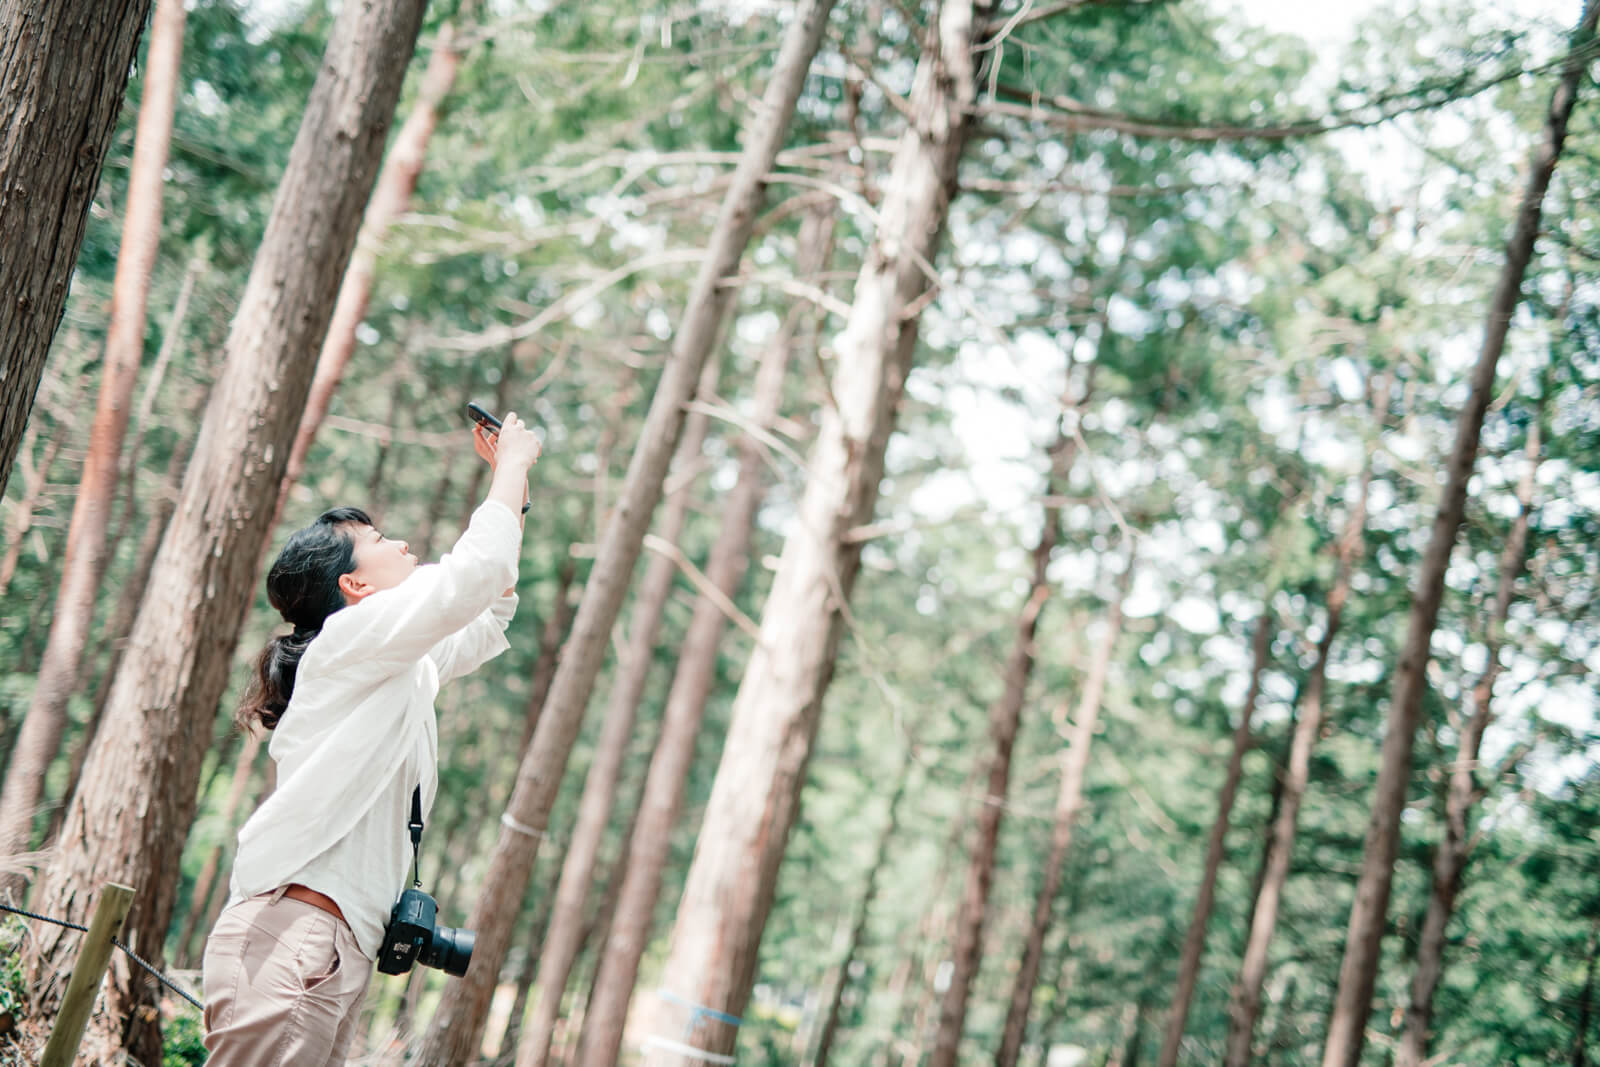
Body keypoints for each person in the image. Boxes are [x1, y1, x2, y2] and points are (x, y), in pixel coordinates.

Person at [200, 413, 543, 1066]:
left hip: (331, 950)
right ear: (355, 586)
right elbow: (475, 574)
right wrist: (511, 466)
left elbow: (489, 609)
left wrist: (514, 496)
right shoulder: (348, 641)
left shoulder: (394, 666)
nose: (403, 542)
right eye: (381, 540)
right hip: (295, 938)